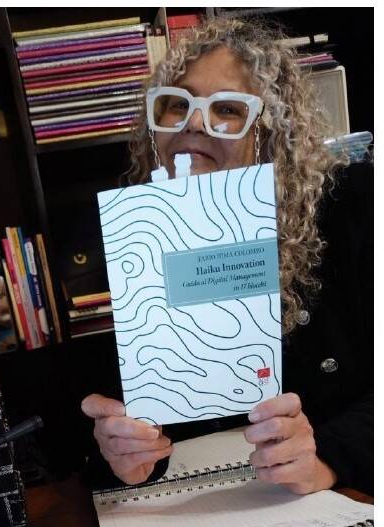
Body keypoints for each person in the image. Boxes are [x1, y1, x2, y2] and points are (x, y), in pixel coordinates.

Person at [81, 17, 373, 496]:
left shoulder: (353, 209)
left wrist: (328, 459)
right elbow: (123, 420)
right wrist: (123, 454)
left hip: (339, 503)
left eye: (228, 109)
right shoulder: (136, 240)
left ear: (273, 132)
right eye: (178, 104)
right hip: (203, 511)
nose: (194, 122)